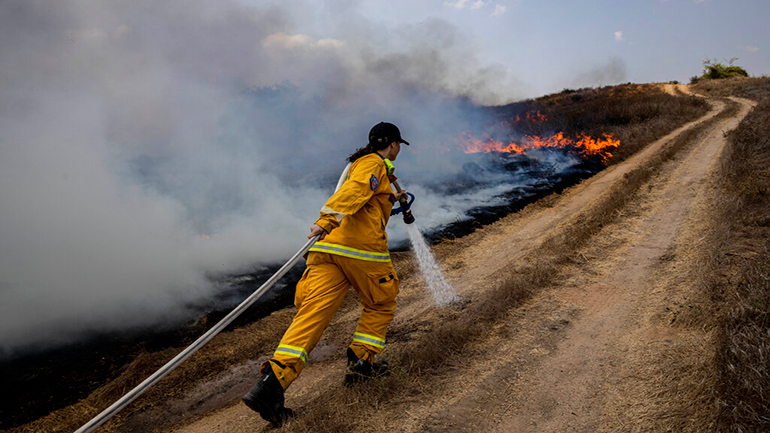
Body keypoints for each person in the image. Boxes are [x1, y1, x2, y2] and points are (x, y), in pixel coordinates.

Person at [242, 121, 411, 425]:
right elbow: (356, 191)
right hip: (359, 252)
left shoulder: (365, 166)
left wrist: (394, 199)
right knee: (381, 302)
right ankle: (361, 365)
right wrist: (326, 219)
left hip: (328, 251)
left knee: (312, 314)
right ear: (394, 144)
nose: (399, 150)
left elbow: (365, 199)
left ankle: (272, 385)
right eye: (399, 146)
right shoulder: (373, 163)